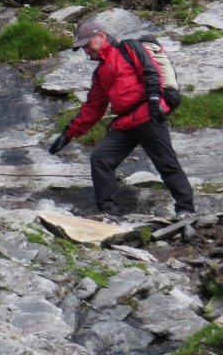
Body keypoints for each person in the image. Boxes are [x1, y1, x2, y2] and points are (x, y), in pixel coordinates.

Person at [49, 19, 195, 219]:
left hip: (147, 114)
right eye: (83, 48)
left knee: (165, 162)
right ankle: (108, 213)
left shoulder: (128, 47)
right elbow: (93, 108)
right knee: (101, 158)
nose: (86, 51)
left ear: (101, 37)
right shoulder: (100, 73)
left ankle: (186, 210)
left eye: (87, 45)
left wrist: (154, 100)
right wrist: (68, 133)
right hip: (125, 122)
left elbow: (150, 70)